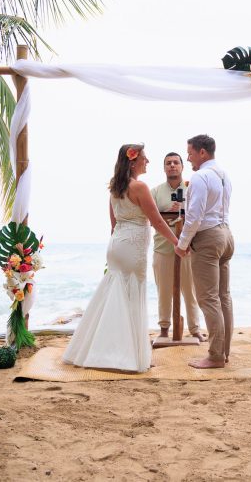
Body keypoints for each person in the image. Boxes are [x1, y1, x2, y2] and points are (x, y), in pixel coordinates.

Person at [63, 144, 179, 372]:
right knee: (132, 297)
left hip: (117, 245)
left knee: (114, 296)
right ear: (133, 161)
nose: (148, 162)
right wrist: (177, 243)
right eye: (145, 158)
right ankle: (129, 355)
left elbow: (113, 224)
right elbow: (156, 221)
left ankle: (97, 349)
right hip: (133, 248)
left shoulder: (115, 188)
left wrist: (114, 249)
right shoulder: (140, 187)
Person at [174, 135, 234, 369]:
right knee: (223, 297)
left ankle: (216, 356)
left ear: (202, 153)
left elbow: (194, 216)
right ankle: (224, 352)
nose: (187, 158)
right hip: (226, 235)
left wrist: (182, 244)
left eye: (189, 153)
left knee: (208, 299)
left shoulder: (200, 177)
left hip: (208, 238)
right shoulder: (224, 175)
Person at [151, 153, 206, 341]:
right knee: (164, 291)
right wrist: (169, 213)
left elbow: (200, 215)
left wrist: (183, 210)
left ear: (182, 166)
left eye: (176, 162)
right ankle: (164, 328)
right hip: (162, 248)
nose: (172, 165)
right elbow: (152, 219)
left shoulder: (192, 188)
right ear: (164, 168)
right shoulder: (156, 192)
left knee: (191, 291)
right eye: (168, 163)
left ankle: (194, 328)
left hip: (188, 249)